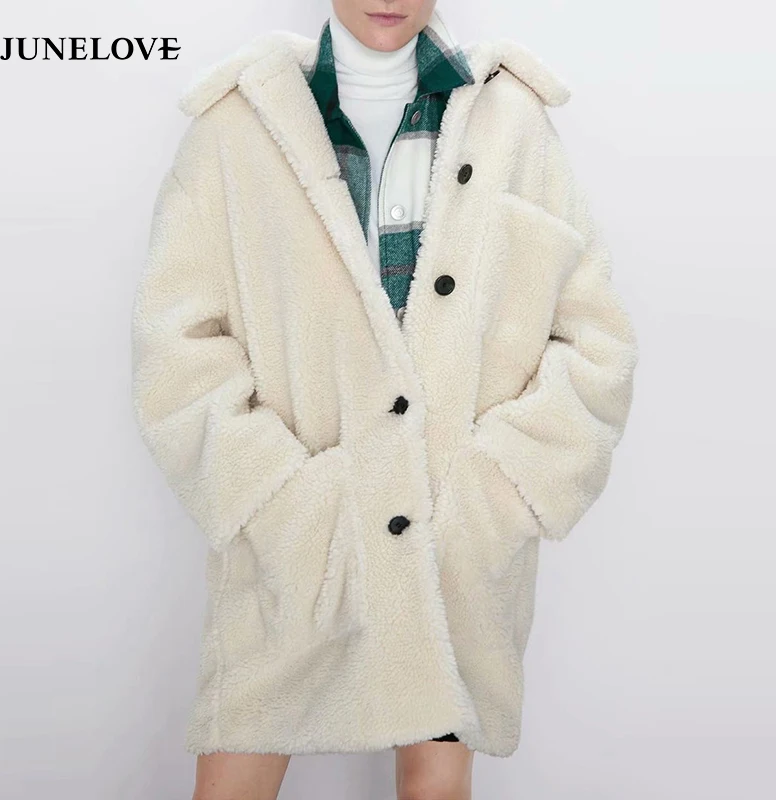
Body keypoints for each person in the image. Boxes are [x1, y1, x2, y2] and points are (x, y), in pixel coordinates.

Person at [130, 0, 639, 797]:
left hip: (450, 547)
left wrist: (495, 496)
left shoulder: (510, 120)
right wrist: (282, 503)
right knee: (233, 781)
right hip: (295, 554)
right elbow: (178, 350)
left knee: (435, 785)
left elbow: (594, 341)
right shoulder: (237, 125)